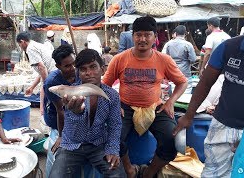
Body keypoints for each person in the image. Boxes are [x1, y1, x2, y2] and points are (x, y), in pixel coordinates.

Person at [103, 16, 188, 178]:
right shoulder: (119, 59)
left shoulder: (164, 60)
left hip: (155, 107)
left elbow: (182, 82)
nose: (142, 39)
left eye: (147, 35)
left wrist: (171, 101)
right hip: (125, 107)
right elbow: (105, 86)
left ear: (155, 37)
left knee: (172, 140)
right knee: (113, 138)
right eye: (138, 34)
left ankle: (149, 172)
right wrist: (114, 104)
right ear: (132, 36)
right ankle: (129, 169)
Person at [173, 35, 244, 178]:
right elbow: (205, 83)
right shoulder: (228, 47)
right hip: (223, 125)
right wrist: (189, 115)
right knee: (213, 173)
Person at [49, 49, 125, 177]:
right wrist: (77, 112)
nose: (89, 73)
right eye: (83, 69)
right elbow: (72, 125)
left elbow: (115, 125)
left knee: (118, 175)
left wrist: (112, 149)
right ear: (78, 72)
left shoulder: (112, 95)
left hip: (98, 144)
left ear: (102, 69)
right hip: (71, 145)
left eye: (93, 67)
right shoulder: (70, 93)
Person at [43, 44, 79, 176]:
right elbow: (60, 110)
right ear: (58, 66)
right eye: (67, 66)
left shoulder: (79, 72)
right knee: (57, 151)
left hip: (74, 112)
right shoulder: (52, 82)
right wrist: (61, 136)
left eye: (74, 63)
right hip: (56, 116)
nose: (73, 68)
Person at [16, 31, 56, 115]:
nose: (20, 47)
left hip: (53, 74)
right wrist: (32, 87)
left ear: (23, 42)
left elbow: (42, 68)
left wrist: (46, 84)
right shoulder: (35, 44)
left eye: (19, 45)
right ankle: (44, 110)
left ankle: (44, 111)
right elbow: (41, 71)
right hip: (53, 72)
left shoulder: (30, 49)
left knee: (46, 92)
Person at [164, 25, 197, 94]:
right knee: (186, 91)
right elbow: (193, 59)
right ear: (185, 34)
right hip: (185, 72)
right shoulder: (188, 45)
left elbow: (165, 58)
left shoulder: (168, 44)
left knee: (174, 91)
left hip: (172, 71)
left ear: (175, 33)